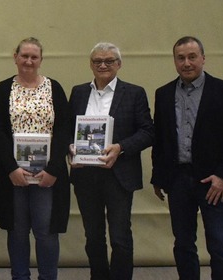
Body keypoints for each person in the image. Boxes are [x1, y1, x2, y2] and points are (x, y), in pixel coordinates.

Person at [152, 36, 223, 280]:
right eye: (181, 58)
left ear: (203, 58)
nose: (186, 63)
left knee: (219, 243)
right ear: (175, 61)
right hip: (178, 179)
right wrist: (159, 177)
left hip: (213, 182)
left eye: (192, 57)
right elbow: (161, 139)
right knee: (183, 243)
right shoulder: (164, 93)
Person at [68, 42, 154, 280]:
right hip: (86, 175)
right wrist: (71, 149)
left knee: (120, 236)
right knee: (93, 236)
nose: (102, 65)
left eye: (108, 61)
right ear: (90, 64)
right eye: (97, 61)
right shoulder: (78, 92)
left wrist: (121, 148)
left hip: (119, 175)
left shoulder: (134, 92)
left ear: (119, 64)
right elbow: (68, 130)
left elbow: (148, 132)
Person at [0, 37, 71, 280]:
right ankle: (20, 277)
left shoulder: (54, 87)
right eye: (24, 55)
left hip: (47, 175)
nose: (28, 61)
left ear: (41, 60)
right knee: (17, 232)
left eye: (34, 56)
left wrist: (54, 170)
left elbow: (64, 129)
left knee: (46, 232)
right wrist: (11, 168)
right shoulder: (3, 89)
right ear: (15, 57)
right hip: (14, 175)